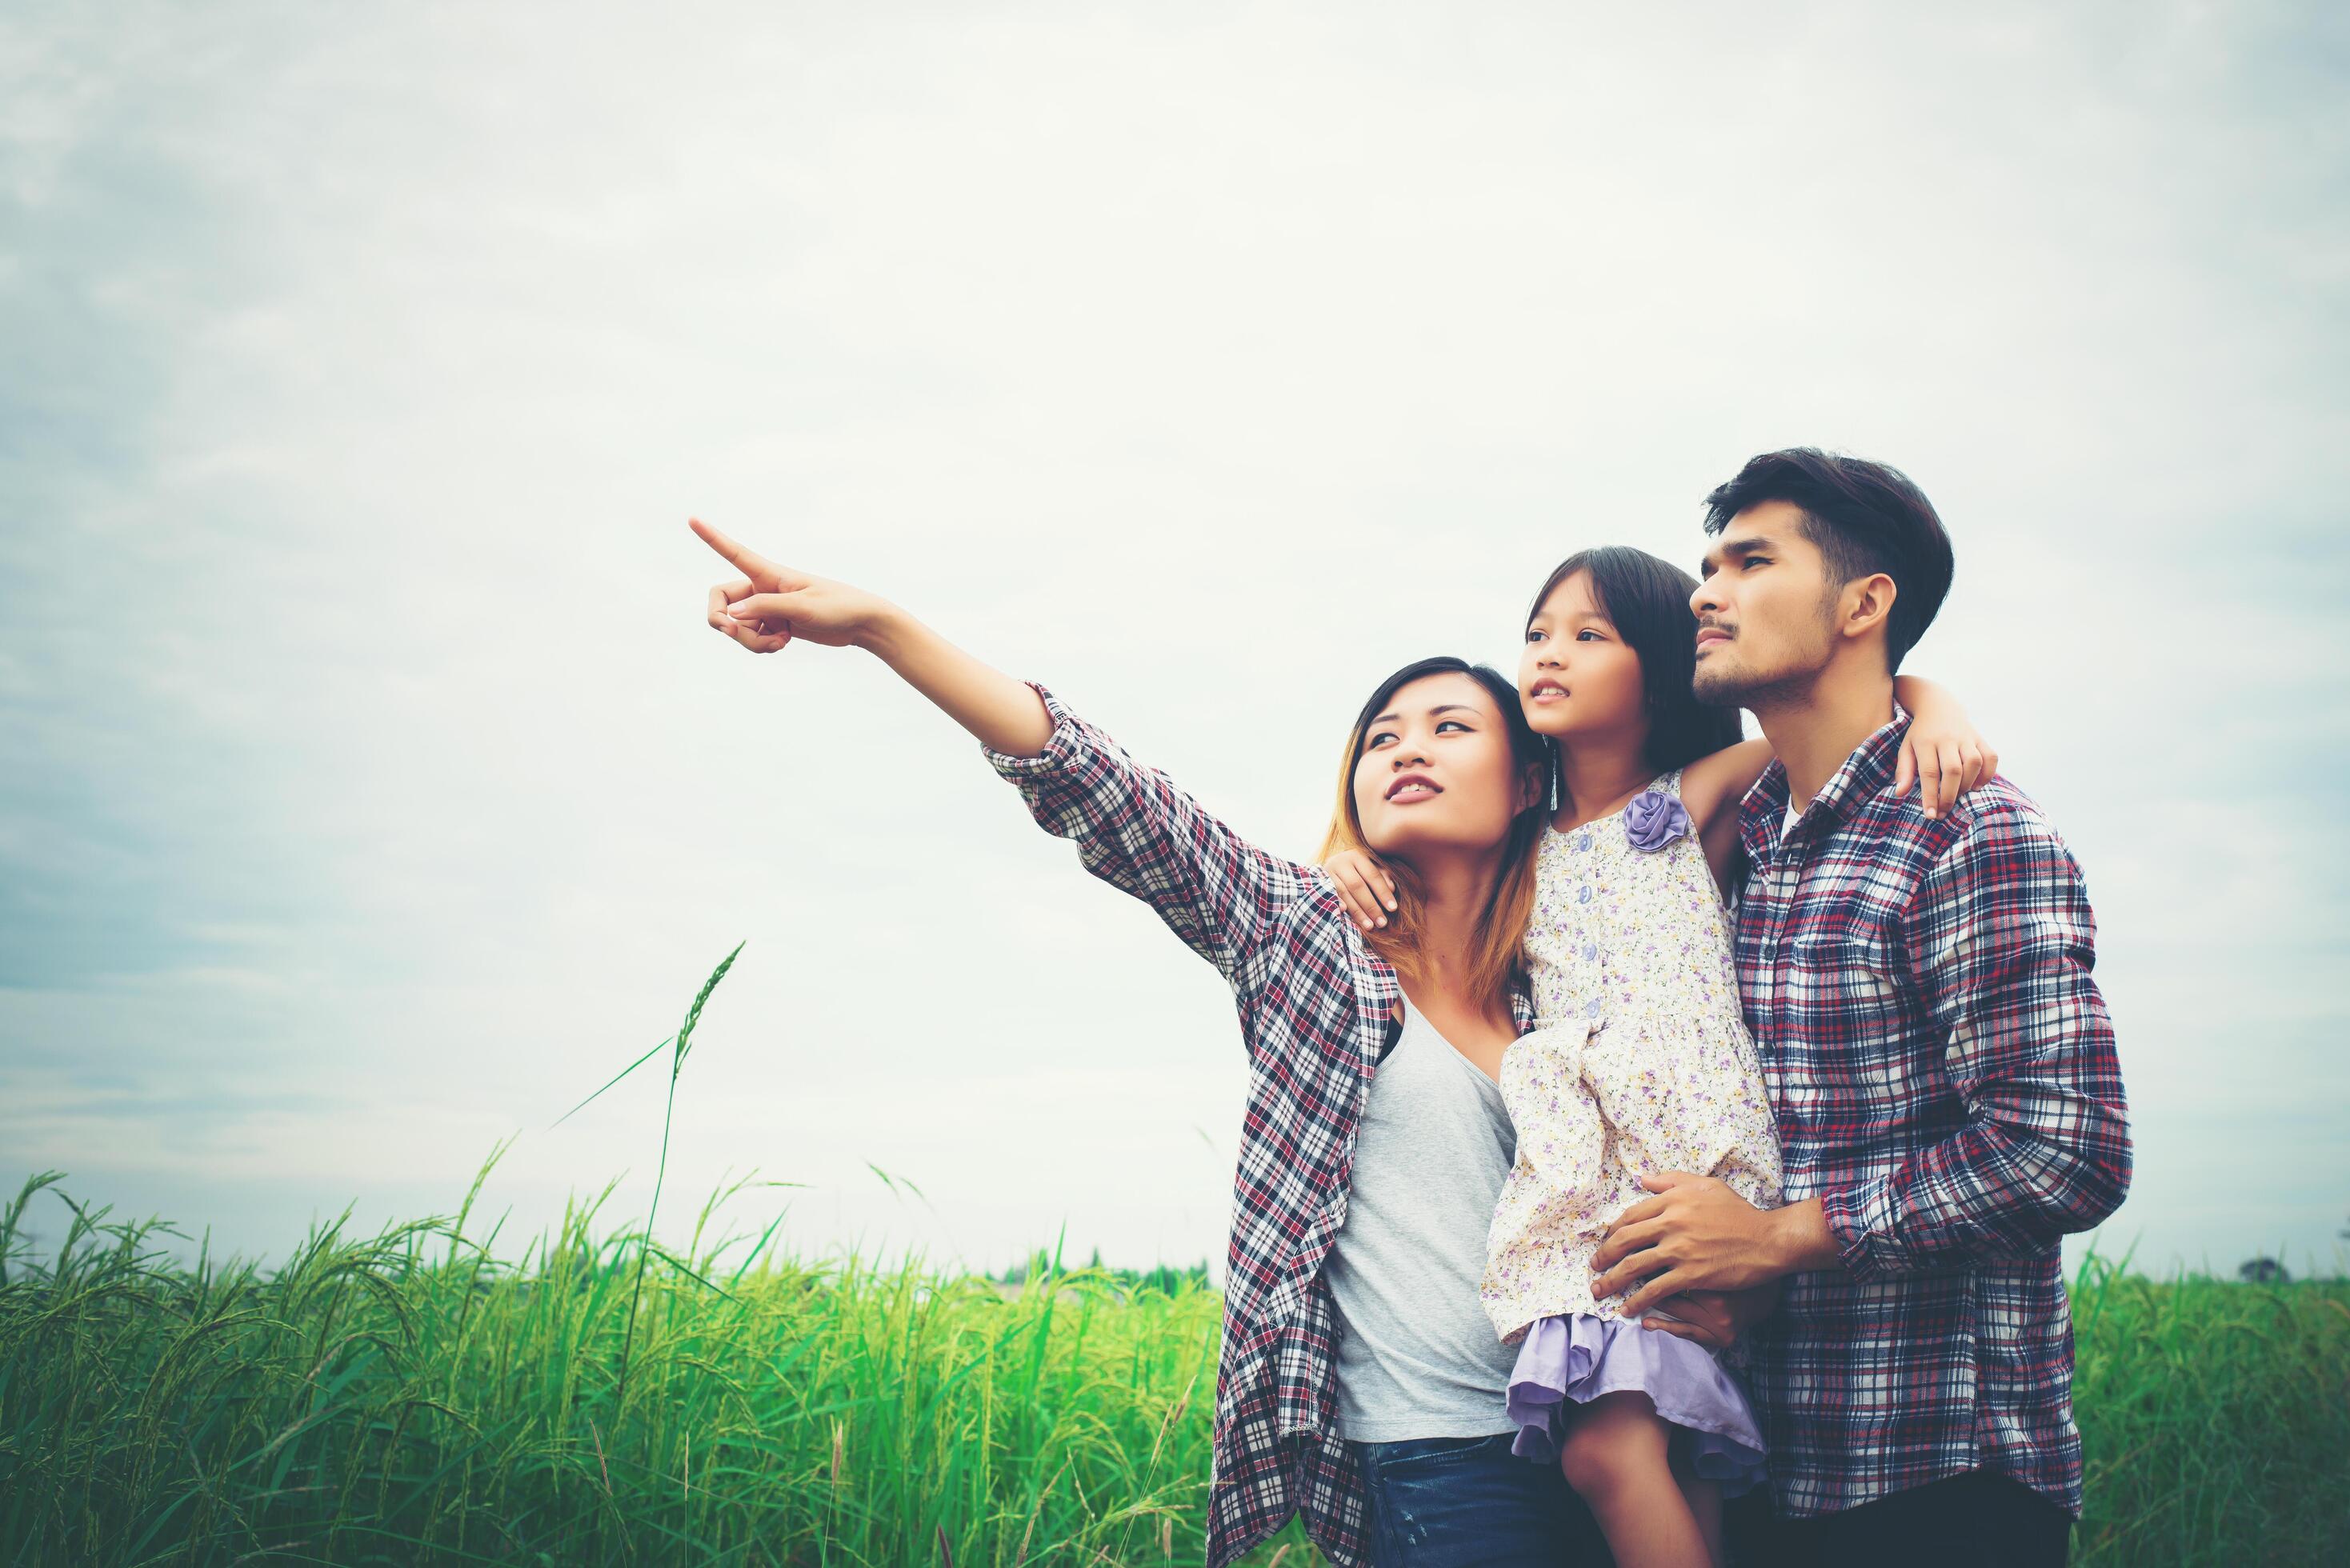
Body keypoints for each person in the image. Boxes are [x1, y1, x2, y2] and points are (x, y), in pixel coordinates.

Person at [687, 517, 1612, 1567]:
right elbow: (1100, 785)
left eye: (1450, 728)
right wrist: (877, 626)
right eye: (1381, 737)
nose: (1405, 747)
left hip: (1604, 1440)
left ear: (1530, 780)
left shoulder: (1570, 977)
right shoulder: (1300, 934)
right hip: (1435, 1459)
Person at [1322, 548, 1997, 1568]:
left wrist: (1931, 702)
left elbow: (1841, 713)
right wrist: (1343, 857)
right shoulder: (1516, 841)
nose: (1549, 654)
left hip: (1684, 1146)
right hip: (1584, 1163)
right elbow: (1414, 857)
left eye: (1589, 635)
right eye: (1539, 633)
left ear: (1669, 665)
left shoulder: (1682, 803)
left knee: (1607, 1448)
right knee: (1668, 1448)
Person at [1586, 450, 2132, 1568]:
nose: (1706, 592)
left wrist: (1785, 1237)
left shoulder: (1968, 832)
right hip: (1759, 1462)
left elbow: (2066, 1149)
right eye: (1705, 566)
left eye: (1749, 561)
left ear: (1863, 602)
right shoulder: (1748, 848)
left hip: (1935, 1476)